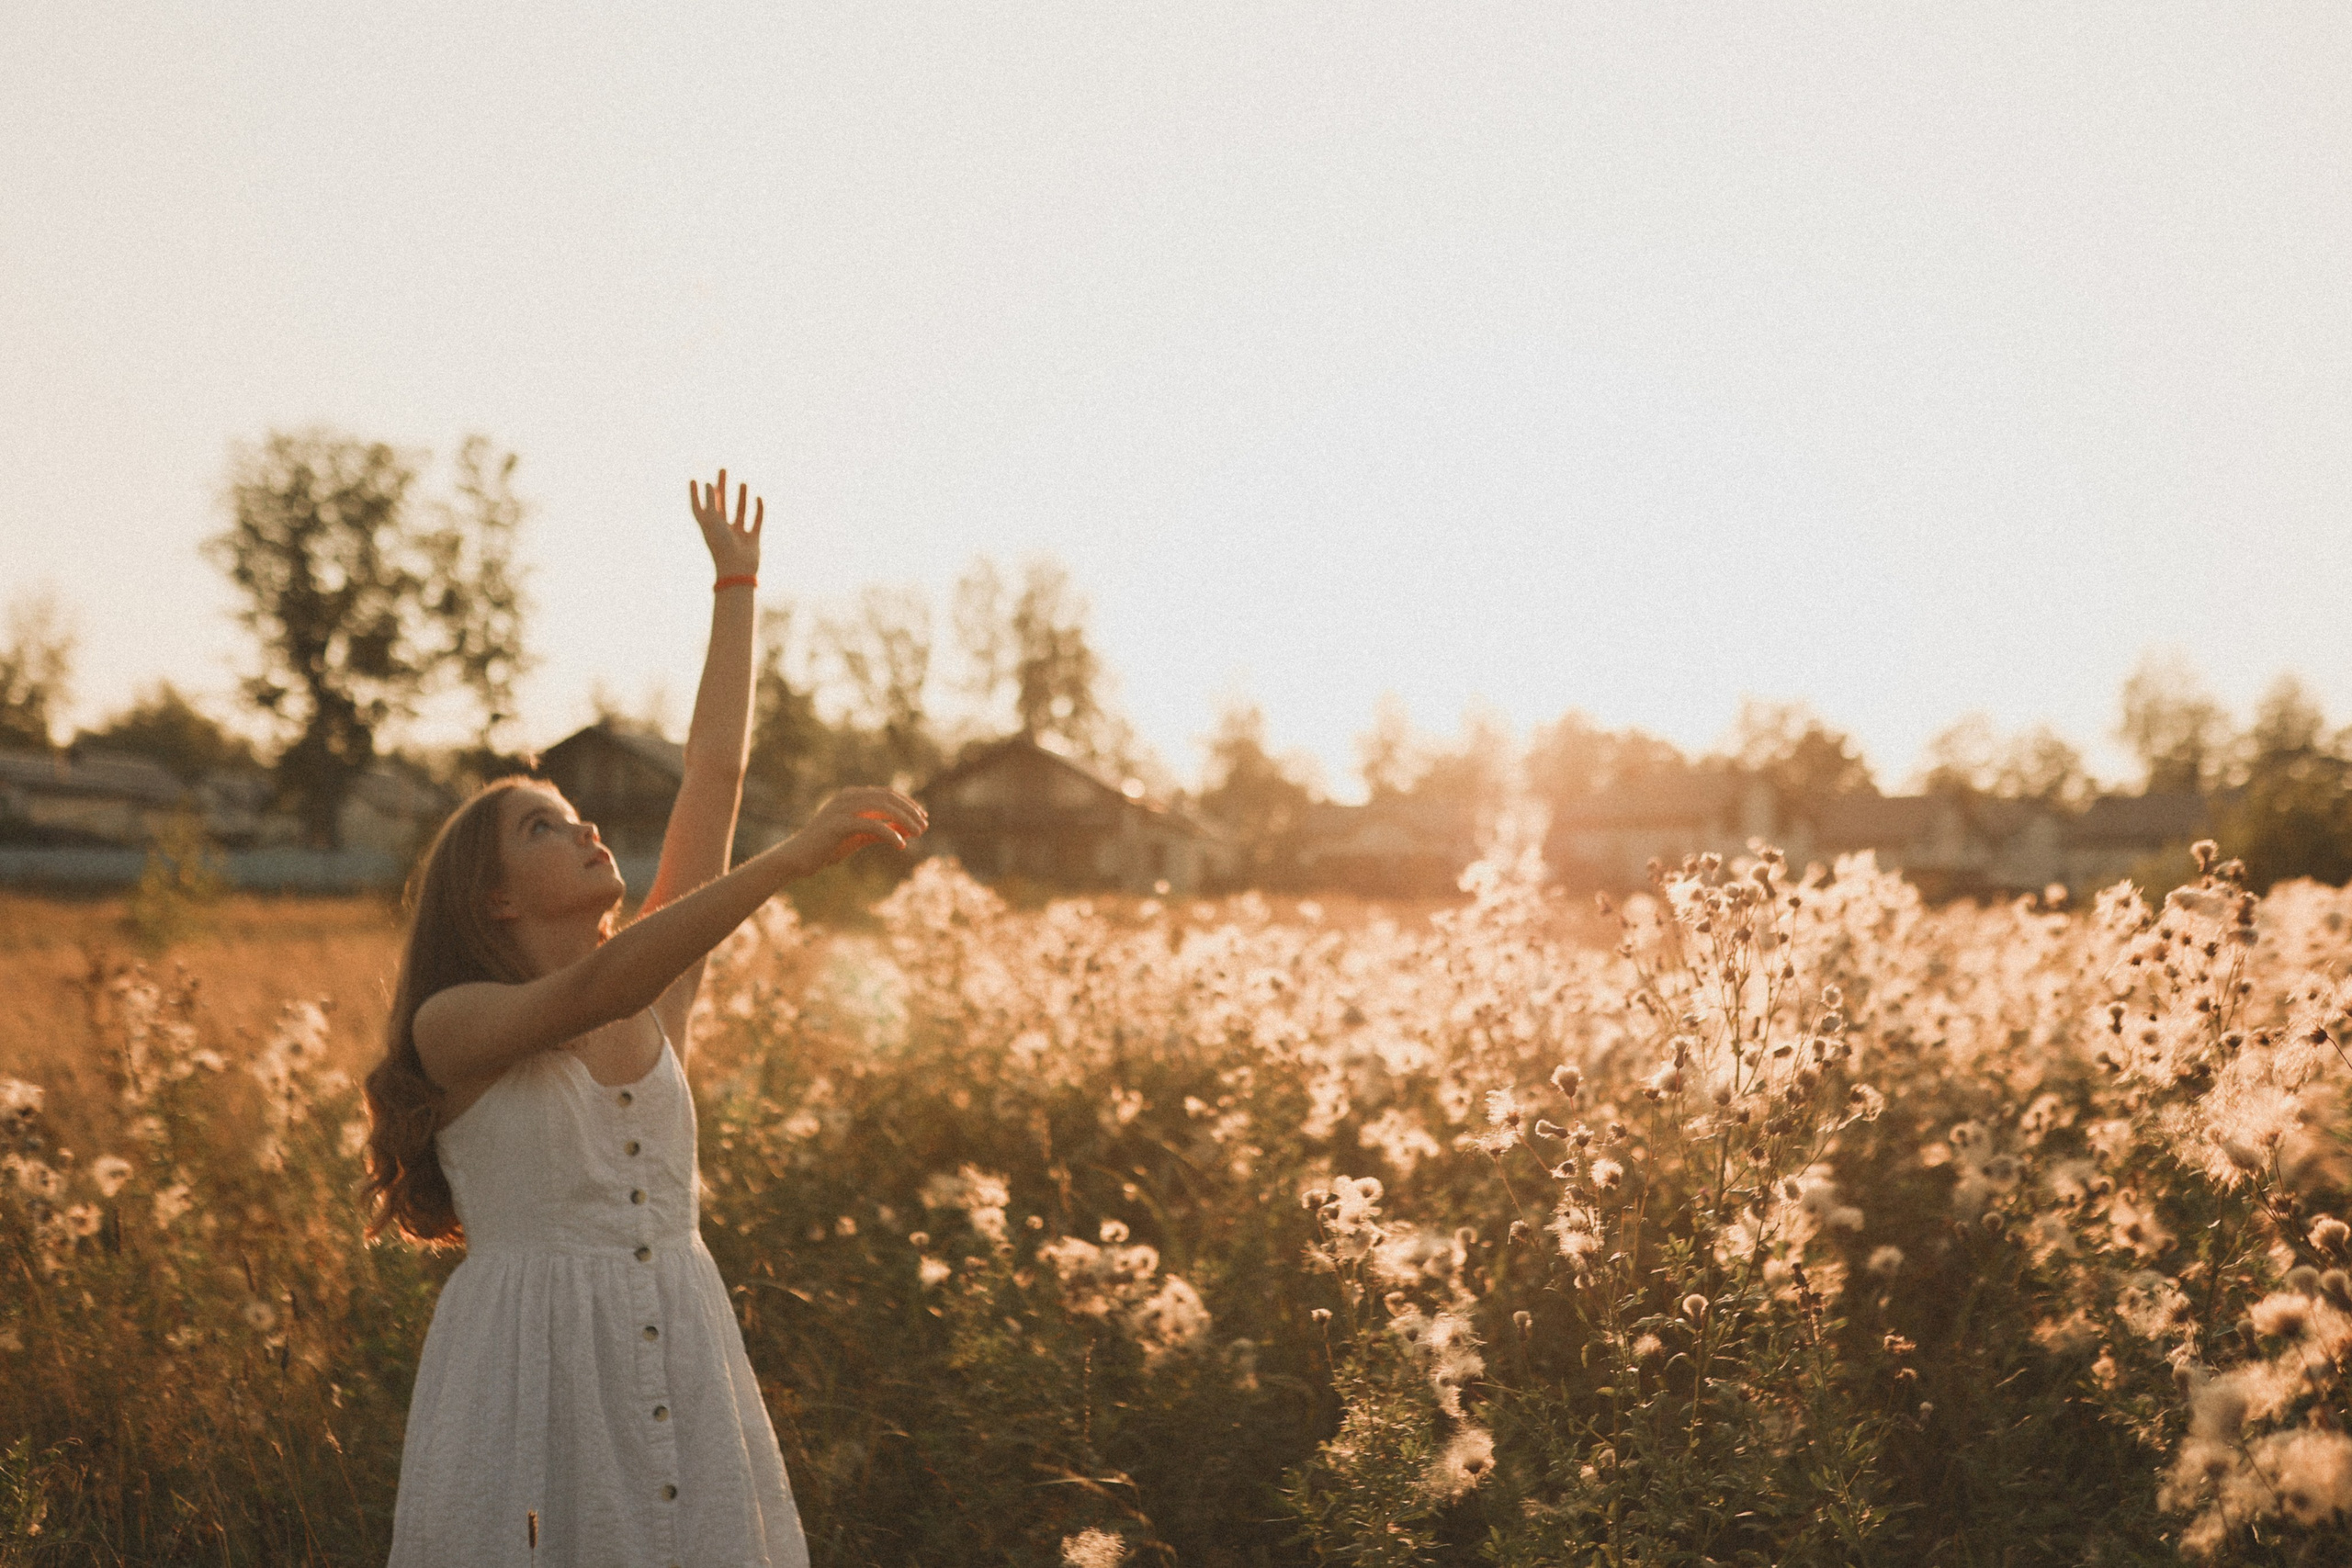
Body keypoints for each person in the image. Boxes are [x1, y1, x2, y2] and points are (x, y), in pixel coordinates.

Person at [363, 469, 927, 1568]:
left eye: (577, 816)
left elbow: (713, 775)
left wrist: (736, 586)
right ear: (493, 900)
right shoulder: (453, 1024)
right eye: (542, 829)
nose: (585, 833)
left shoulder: (660, 992)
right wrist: (791, 858)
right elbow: (593, 992)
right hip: (527, 1391)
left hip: (680, 1367)